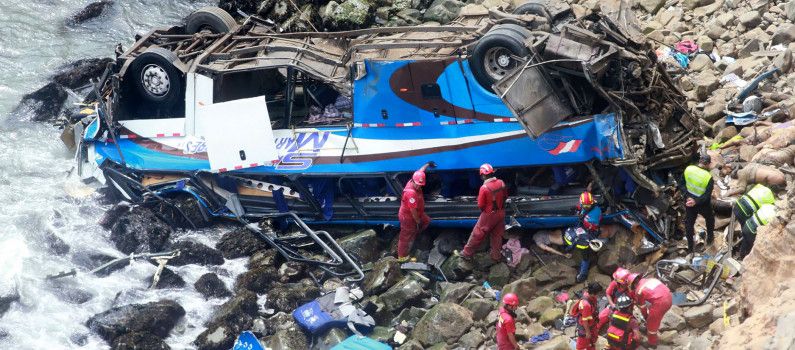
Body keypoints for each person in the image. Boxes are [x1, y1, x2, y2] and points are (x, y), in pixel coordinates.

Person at [461, 163, 509, 261]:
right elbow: (506, 196)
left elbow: (481, 205)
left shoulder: (484, 188)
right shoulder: (501, 182)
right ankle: (496, 256)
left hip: (489, 214)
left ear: (483, 175)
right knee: (497, 235)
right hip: (501, 213)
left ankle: (466, 253)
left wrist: (485, 212)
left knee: (477, 233)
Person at [397, 162, 435, 262]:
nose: (418, 187)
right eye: (417, 185)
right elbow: (412, 210)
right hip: (408, 217)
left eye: (420, 185)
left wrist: (428, 164)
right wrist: (417, 220)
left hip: (418, 213)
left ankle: (415, 233)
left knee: (426, 221)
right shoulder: (411, 193)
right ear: (413, 181)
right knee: (405, 236)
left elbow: (420, 171)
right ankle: (401, 256)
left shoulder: (416, 178)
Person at [681, 154, 715, 254]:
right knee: (710, 218)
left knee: (689, 224)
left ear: (700, 161)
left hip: (689, 201)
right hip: (702, 204)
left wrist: (687, 196)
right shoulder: (708, 177)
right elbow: (707, 196)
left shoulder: (688, 169)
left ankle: (690, 248)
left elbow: (681, 184)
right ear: (708, 164)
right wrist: (696, 201)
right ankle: (710, 238)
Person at [628, 273, 672, 347]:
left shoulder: (639, 290)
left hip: (660, 303)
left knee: (651, 326)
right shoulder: (650, 279)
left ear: (633, 285)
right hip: (669, 296)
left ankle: (652, 343)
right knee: (653, 314)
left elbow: (643, 307)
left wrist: (646, 318)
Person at [570, 282, 603, 350]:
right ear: (594, 293)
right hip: (585, 327)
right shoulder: (586, 305)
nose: (600, 295)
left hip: (592, 324)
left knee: (593, 341)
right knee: (581, 345)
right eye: (599, 293)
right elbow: (585, 321)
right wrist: (587, 332)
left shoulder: (591, 297)